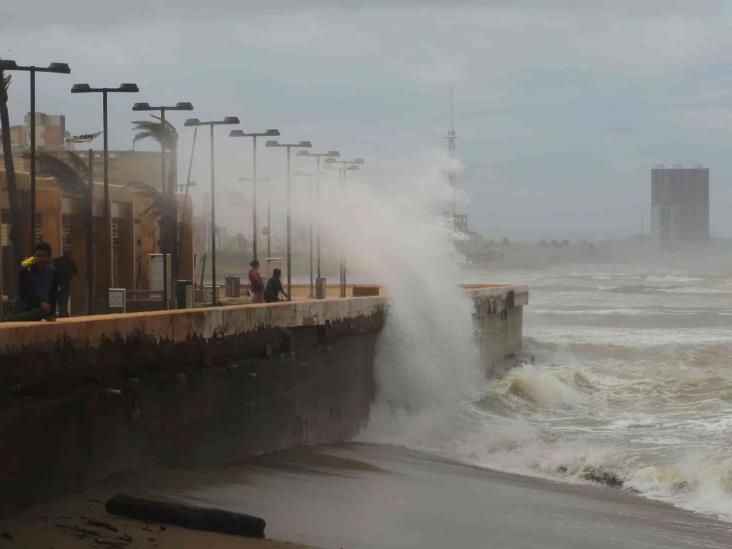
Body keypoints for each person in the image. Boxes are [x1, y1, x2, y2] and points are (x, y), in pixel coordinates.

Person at [8, 242, 58, 321]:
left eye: (43, 256)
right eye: (37, 255)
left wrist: (52, 313)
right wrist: (40, 303)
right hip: (23, 308)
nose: (39, 259)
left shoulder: (51, 272)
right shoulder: (27, 271)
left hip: (41, 310)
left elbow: (52, 294)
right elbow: (24, 294)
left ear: (49, 257)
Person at [53, 249, 78, 317]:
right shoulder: (71, 261)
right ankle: (63, 315)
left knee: (58, 301)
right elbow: (75, 274)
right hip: (64, 285)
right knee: (64, 302)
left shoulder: (56, 260)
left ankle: (62, 314)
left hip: (57, 285)